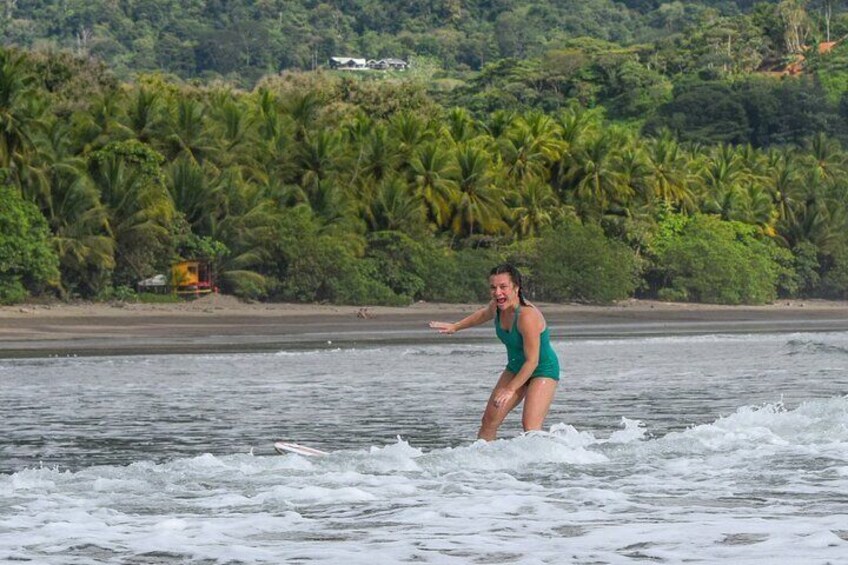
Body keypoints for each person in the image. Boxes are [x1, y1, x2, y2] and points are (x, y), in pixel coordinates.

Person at [429, 264, 560, 440]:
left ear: (516, 288)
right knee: (489, 421)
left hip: (542, 369)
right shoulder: (497, 306)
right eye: (493, 287)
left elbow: (532, 362)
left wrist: (510, 389)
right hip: (515, 367)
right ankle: (484, 463)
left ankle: (543, 464)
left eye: (503, 287)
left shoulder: (527, 316)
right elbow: (483, 314)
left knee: (530, 427)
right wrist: (456, 326)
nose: (498, 292)